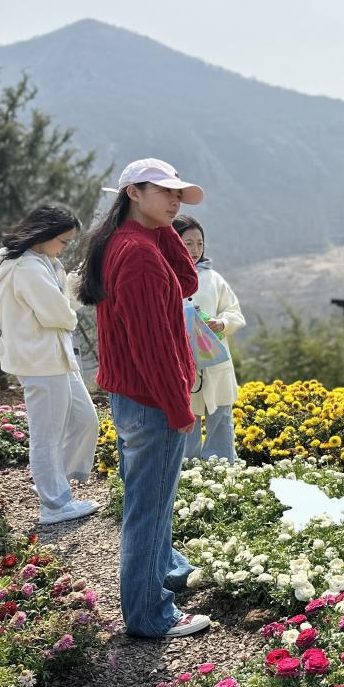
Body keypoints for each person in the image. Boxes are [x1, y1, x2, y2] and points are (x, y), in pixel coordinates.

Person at [75, 158, 211, 639]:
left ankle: (164, 573)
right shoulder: (137, 254)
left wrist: (164, 229)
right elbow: (152, 348)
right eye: (165, 192)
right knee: (148, 508)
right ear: (132, 192)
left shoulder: (133, 242)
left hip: (134, 395)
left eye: (180, 194)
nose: (176, 201)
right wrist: (179, 408)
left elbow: (188, 282)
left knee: (150, 498)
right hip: (151, 399)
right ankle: (150, 614)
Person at [0, 205, 100, 525]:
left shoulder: (41, 262)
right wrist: (68, 309)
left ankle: (54, 481)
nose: (66, 247)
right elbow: (60, 315)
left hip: (55, 356)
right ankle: (54, 504)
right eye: (63, 241)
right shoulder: (27, 269)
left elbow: (60, 301)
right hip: (41, 360)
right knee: (46, 434)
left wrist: (73, 288)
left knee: (85, 419)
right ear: (45, 235)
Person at [172, 215, 244, 462]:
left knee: (221, 416)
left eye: (199, 244)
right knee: (186, 418)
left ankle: (222, 466)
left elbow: (233, 311)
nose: (195, 250)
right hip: (183, 361)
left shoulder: (214, 279)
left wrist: (222, 323)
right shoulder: (166, 277)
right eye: (188, 243)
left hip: (215, 360)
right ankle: (187, 470)